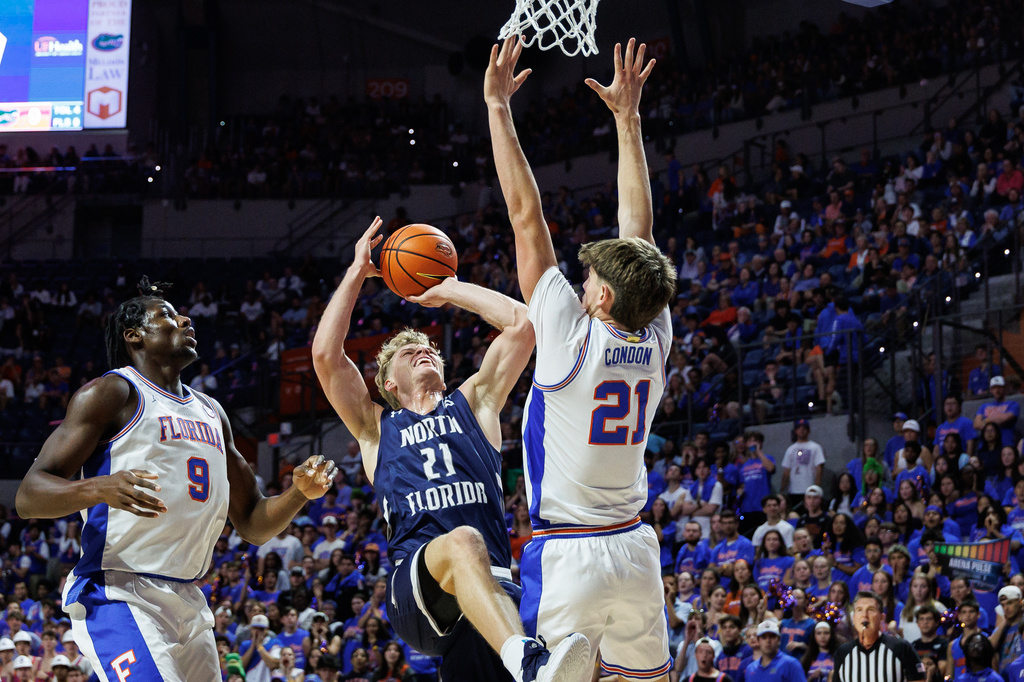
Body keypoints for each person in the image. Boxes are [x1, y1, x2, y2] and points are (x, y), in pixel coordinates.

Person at [14, 278, 338, 682]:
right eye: (166, 315)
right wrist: (99, 488)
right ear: (135, 335)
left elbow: (253, 523)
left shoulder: (211, 411)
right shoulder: (112, 392)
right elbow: (29, 495)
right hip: (118, 592)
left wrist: (298, 494)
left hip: (188, 598)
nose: (185, 319)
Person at [311, 217, 587, 682]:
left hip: (491, 589)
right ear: (389, 383)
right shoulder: (377, 428)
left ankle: (521, 658)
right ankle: (524, 654)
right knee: (463, 541)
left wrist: (449, 288)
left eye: (429, 349)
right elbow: (325, 356)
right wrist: (358, 271)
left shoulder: (474, 403)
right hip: (417, 592)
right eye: (408, 352)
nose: (423, 351)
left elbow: (522, 324)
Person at [487, 36, 675, 680]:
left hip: (569, 552)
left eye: (590, 274)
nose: (582, 274)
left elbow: (524, 215)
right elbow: (639, 235)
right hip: (634, 550)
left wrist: (497, 109)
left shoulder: (572, 337)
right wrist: (629, 121)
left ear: (603, 296)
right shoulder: (654, 333)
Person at [834, 592, 924, 682]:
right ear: (854, 618)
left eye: (871, 610)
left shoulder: (901, 648)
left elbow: (919, 679)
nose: (864, 615)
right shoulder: (843, 653)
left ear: (882, 618)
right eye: (859, 610)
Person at [780, 420, 825, 508]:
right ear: (796, 431)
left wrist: (817, 487)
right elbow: (786, 471)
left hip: (809, 489)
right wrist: (783, 488)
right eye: (799, 428)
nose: (801, 430)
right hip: (793, 490)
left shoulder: (815, 447)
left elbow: (819, 469)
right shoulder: (791, 449)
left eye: (804, 428)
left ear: (808, 431)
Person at [973, 377, 1019, 449]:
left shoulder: (1013, 404)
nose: (997, 390)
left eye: (999, 387)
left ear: (1004, 388)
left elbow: (1003, 419)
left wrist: (986, 420)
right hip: (986, 447)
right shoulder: (984, 406)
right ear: (991, 390)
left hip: (1005, 445)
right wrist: (995, 419)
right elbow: (976, 424)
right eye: (994, 388)